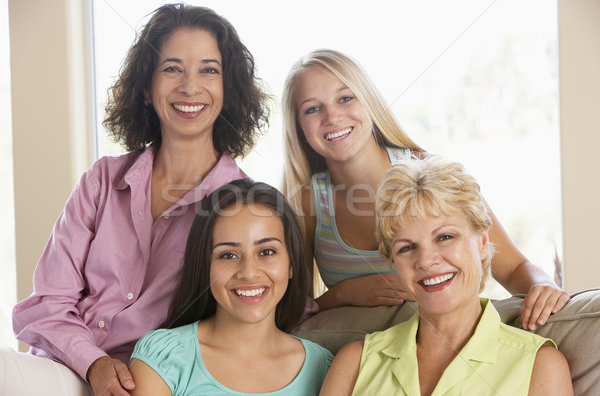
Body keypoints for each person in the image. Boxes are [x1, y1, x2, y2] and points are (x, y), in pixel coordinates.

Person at [6, 3, 269, 396]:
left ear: (227, 90)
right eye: (172, 68)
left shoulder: (242, 206)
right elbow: (46, 303)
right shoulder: (102, 180)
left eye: (209, 70)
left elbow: (272, 299)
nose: (189, 86)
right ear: (146, 88)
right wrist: (92, 361)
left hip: (147, 384)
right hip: (62, 369)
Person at [281, 48, 569, 328]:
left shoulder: (432, 175)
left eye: (345, 98)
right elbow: (296, 311)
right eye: (313, 109)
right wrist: (346, 293)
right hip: (362, 357)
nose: (332, 117)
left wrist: (543, 285)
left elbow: (514, 269)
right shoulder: (306, 204)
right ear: (299, 127)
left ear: (369, 102)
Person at [319, 157, 573, 395]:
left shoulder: (539, 366)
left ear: (483, 243)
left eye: (445, 237)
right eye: (407, 248)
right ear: (394, 263)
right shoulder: (353, 364)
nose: (426, 260)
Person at [128, 179, 333, 395]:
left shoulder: (325, 368)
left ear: (291, 264)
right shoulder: (164, 356)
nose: (248, 272)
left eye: (266, 252)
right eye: (228, 255)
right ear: (205, 266)